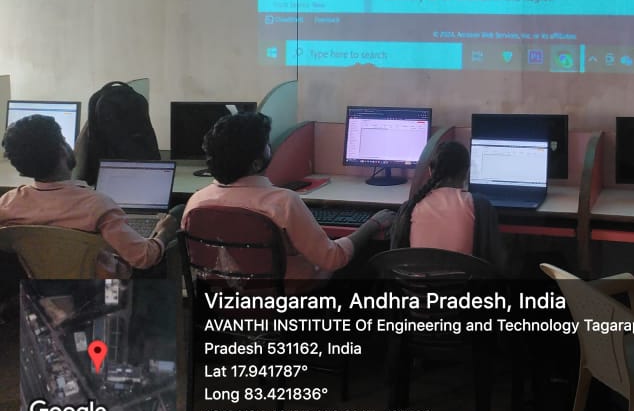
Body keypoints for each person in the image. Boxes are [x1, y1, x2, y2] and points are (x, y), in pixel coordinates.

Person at [182, 111, 394, 281]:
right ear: (256, 163)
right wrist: (371, 225)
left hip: (222, 297)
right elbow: (333, 258)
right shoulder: (282, 203)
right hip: (283, 295)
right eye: (266, 145)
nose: (270, 148)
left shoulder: (197, 202)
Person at [0, 114, 177, 273]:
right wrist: (164, 232)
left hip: (36, 292)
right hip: (100, 292)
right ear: (63, 150)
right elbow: (143, 257)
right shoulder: (97, 206)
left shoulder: (7, 204)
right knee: (177, 214)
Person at [390, 140, 507, 271]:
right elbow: (497, 260)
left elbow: (396, 260)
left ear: (430, 170)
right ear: (466, 172)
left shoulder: (410, 207)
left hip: (416, 283)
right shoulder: (480, 205)